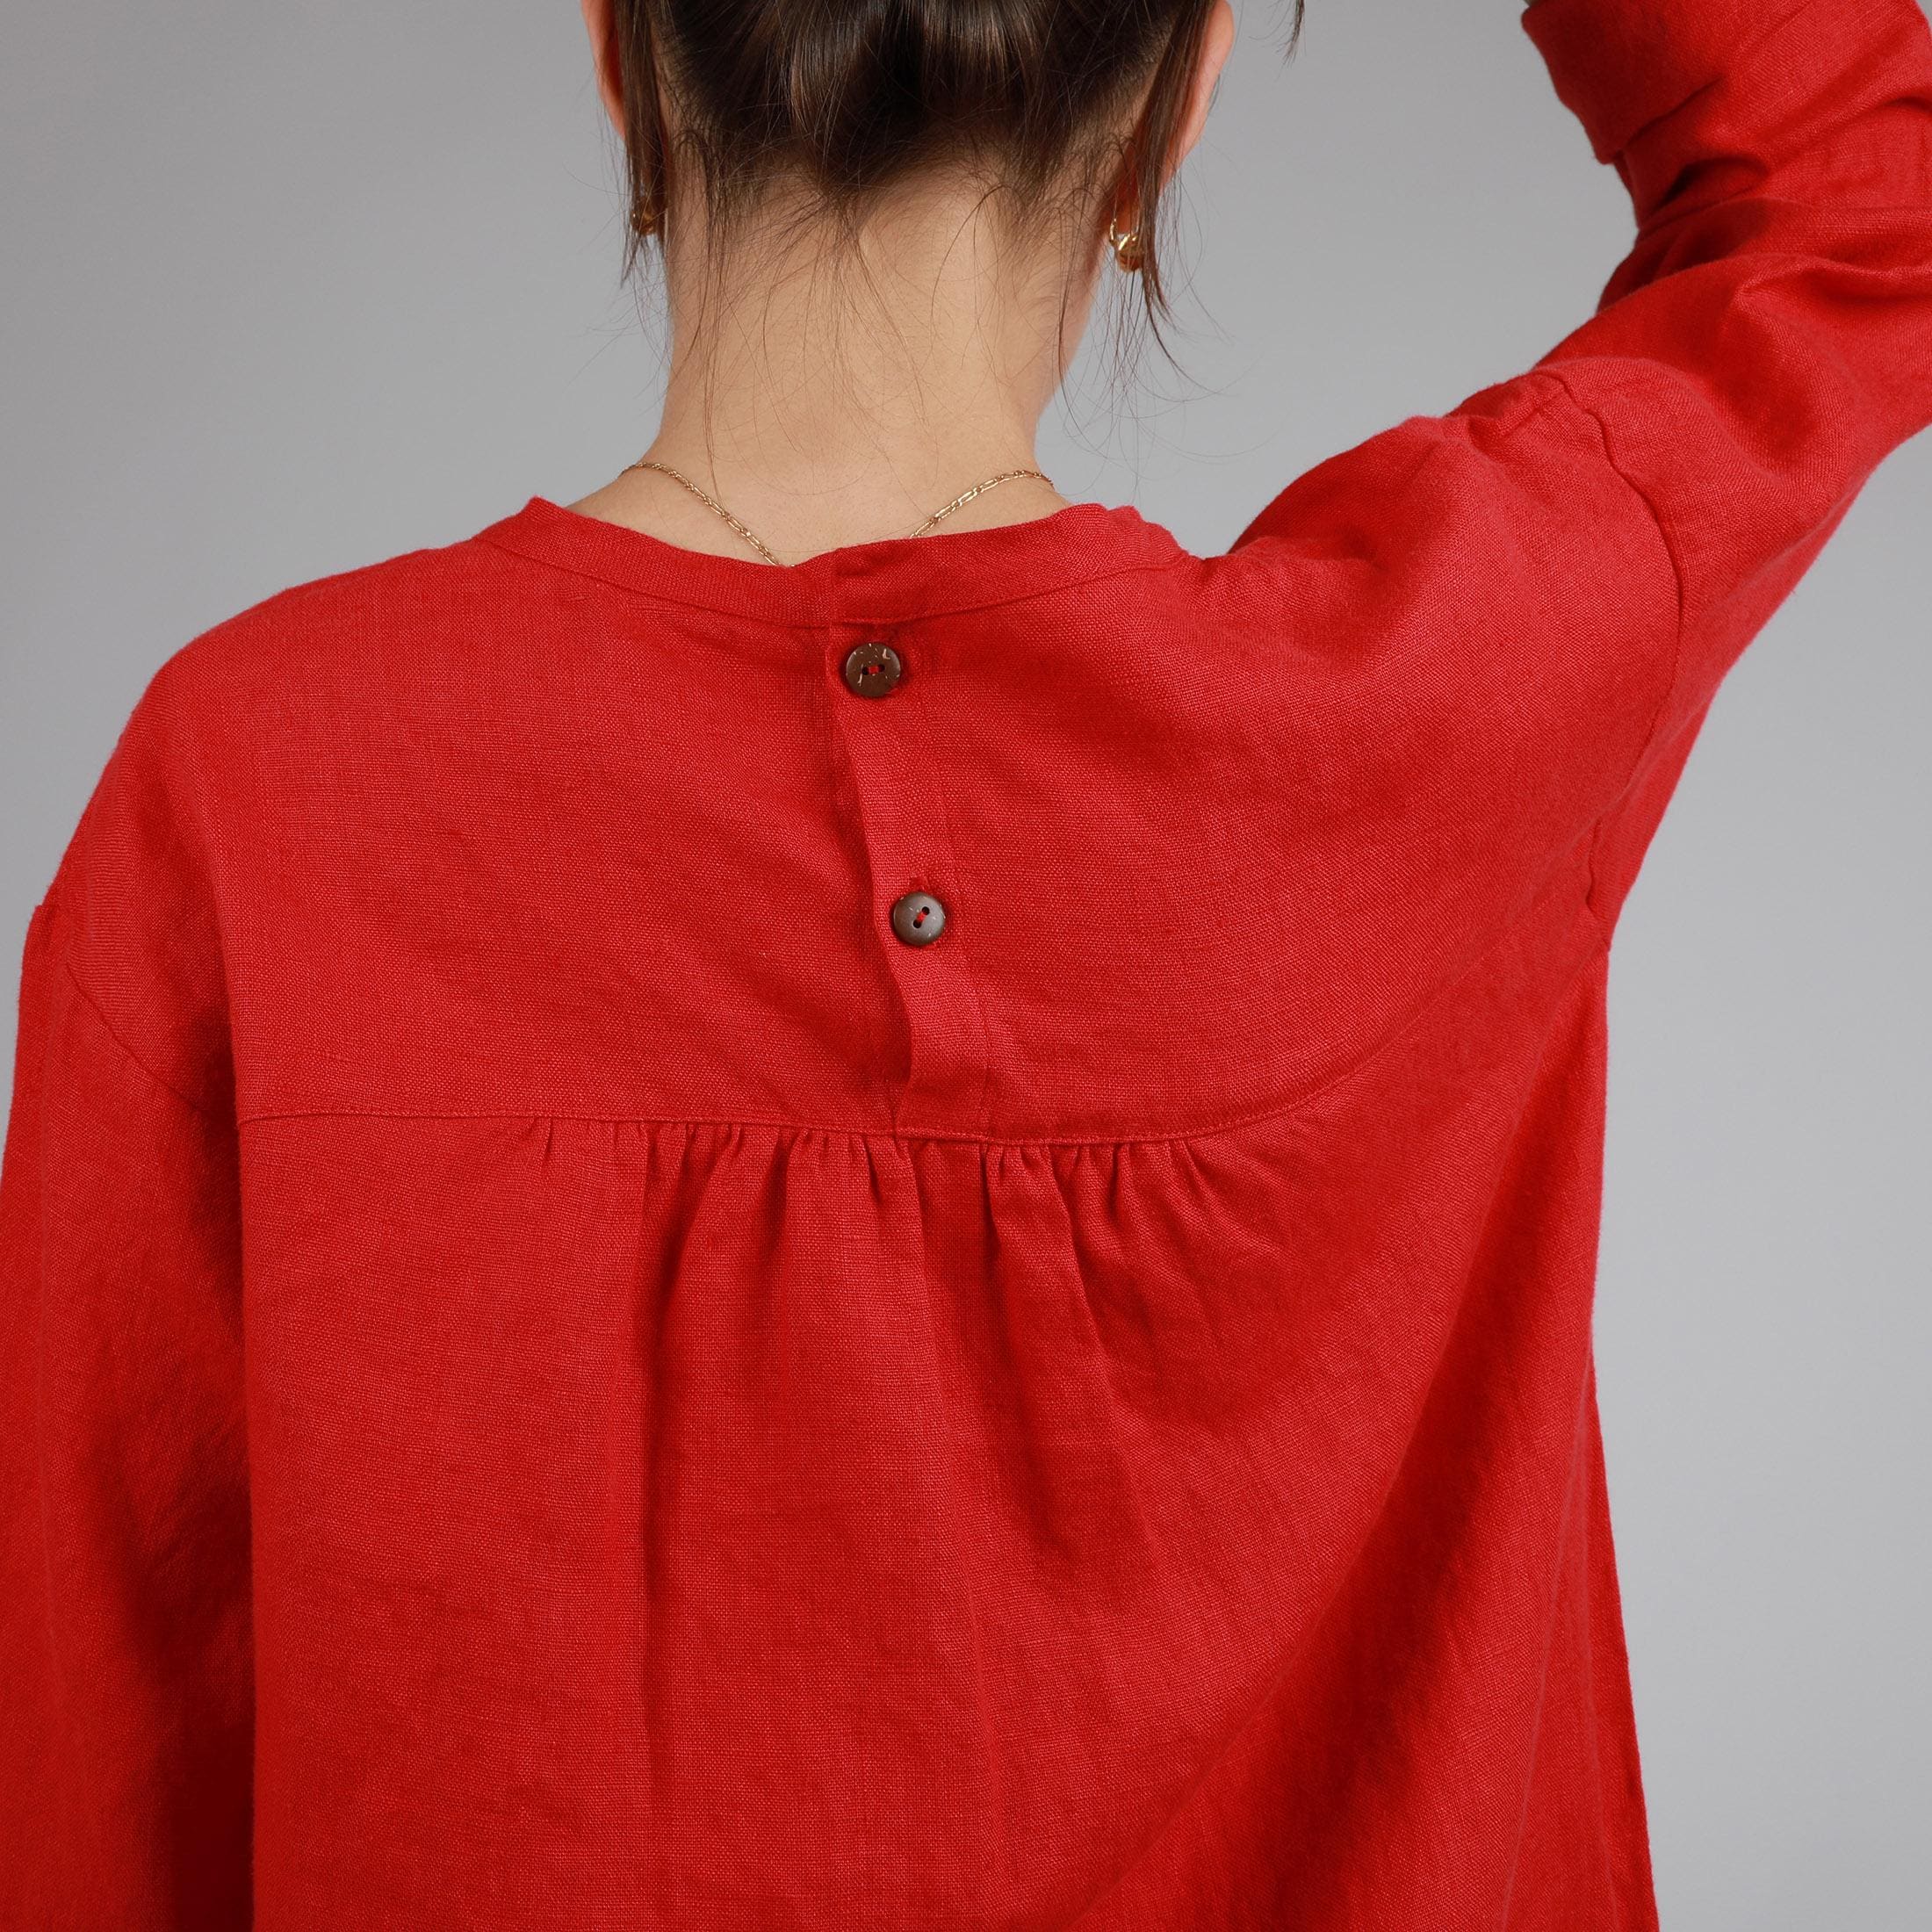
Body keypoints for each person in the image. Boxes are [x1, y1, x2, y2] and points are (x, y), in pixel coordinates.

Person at [2, 0, 1928, 1924]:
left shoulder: (263, 794)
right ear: (1177, 95)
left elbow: (94, 1776)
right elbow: (1866, 194)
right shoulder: (1431, 713)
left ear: (621, 56)